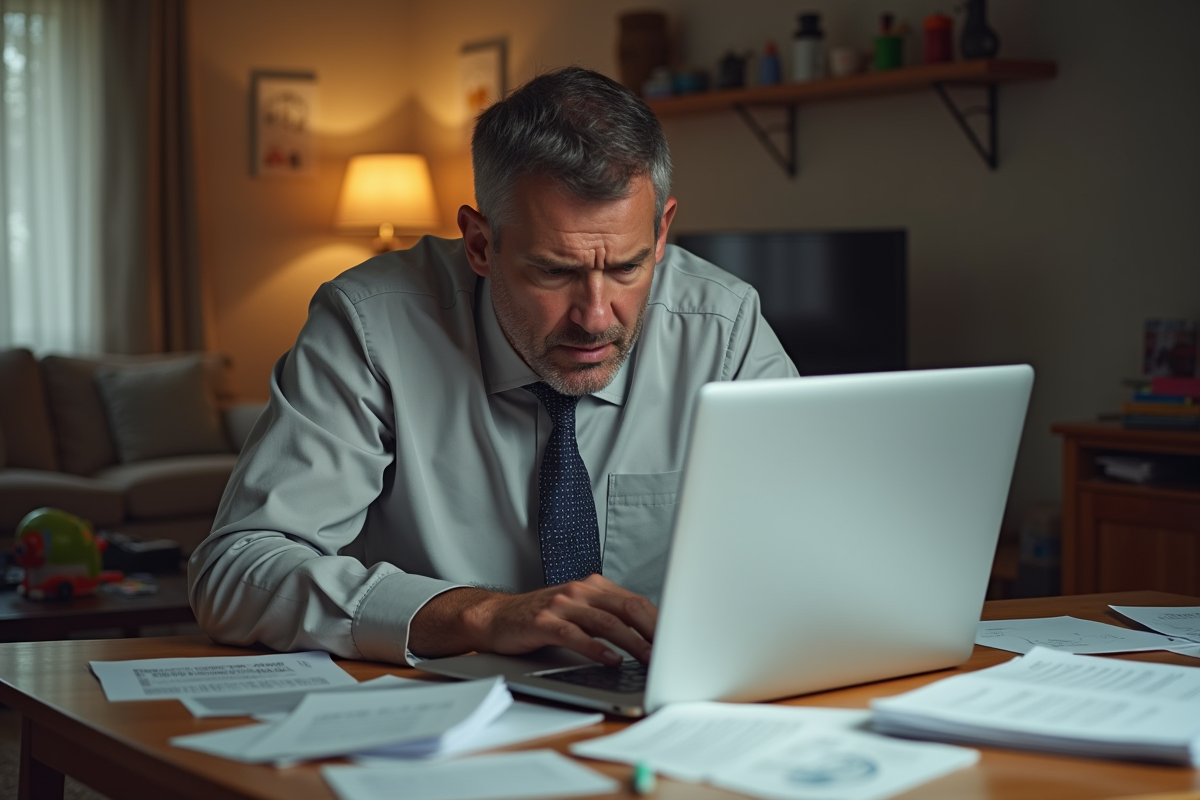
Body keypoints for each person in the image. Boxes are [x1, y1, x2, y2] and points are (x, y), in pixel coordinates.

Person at [188, 67, 796, 669]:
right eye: (554, 271)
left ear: (661, 233)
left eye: (628, 268)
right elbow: (238, 570)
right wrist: (478, 615)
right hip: (434, 714)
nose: (595, 316)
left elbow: (820, 544)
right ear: (481, 243)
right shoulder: (370, 327)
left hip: (655, 715)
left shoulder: (724, 329)